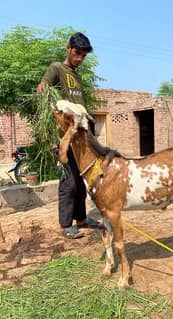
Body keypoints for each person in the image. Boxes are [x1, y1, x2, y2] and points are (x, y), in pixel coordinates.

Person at [37, 32, 101, 239]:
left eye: (83, 55)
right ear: (68, 48)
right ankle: (66, 224)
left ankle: (81, 219)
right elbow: (43, 89)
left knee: (82, 179)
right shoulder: (57, 68)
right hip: (63, 138)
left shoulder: (77, 76)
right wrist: (43, 91)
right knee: (69, 181)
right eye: (77, 53)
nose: (79, 58)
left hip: (80, 137)